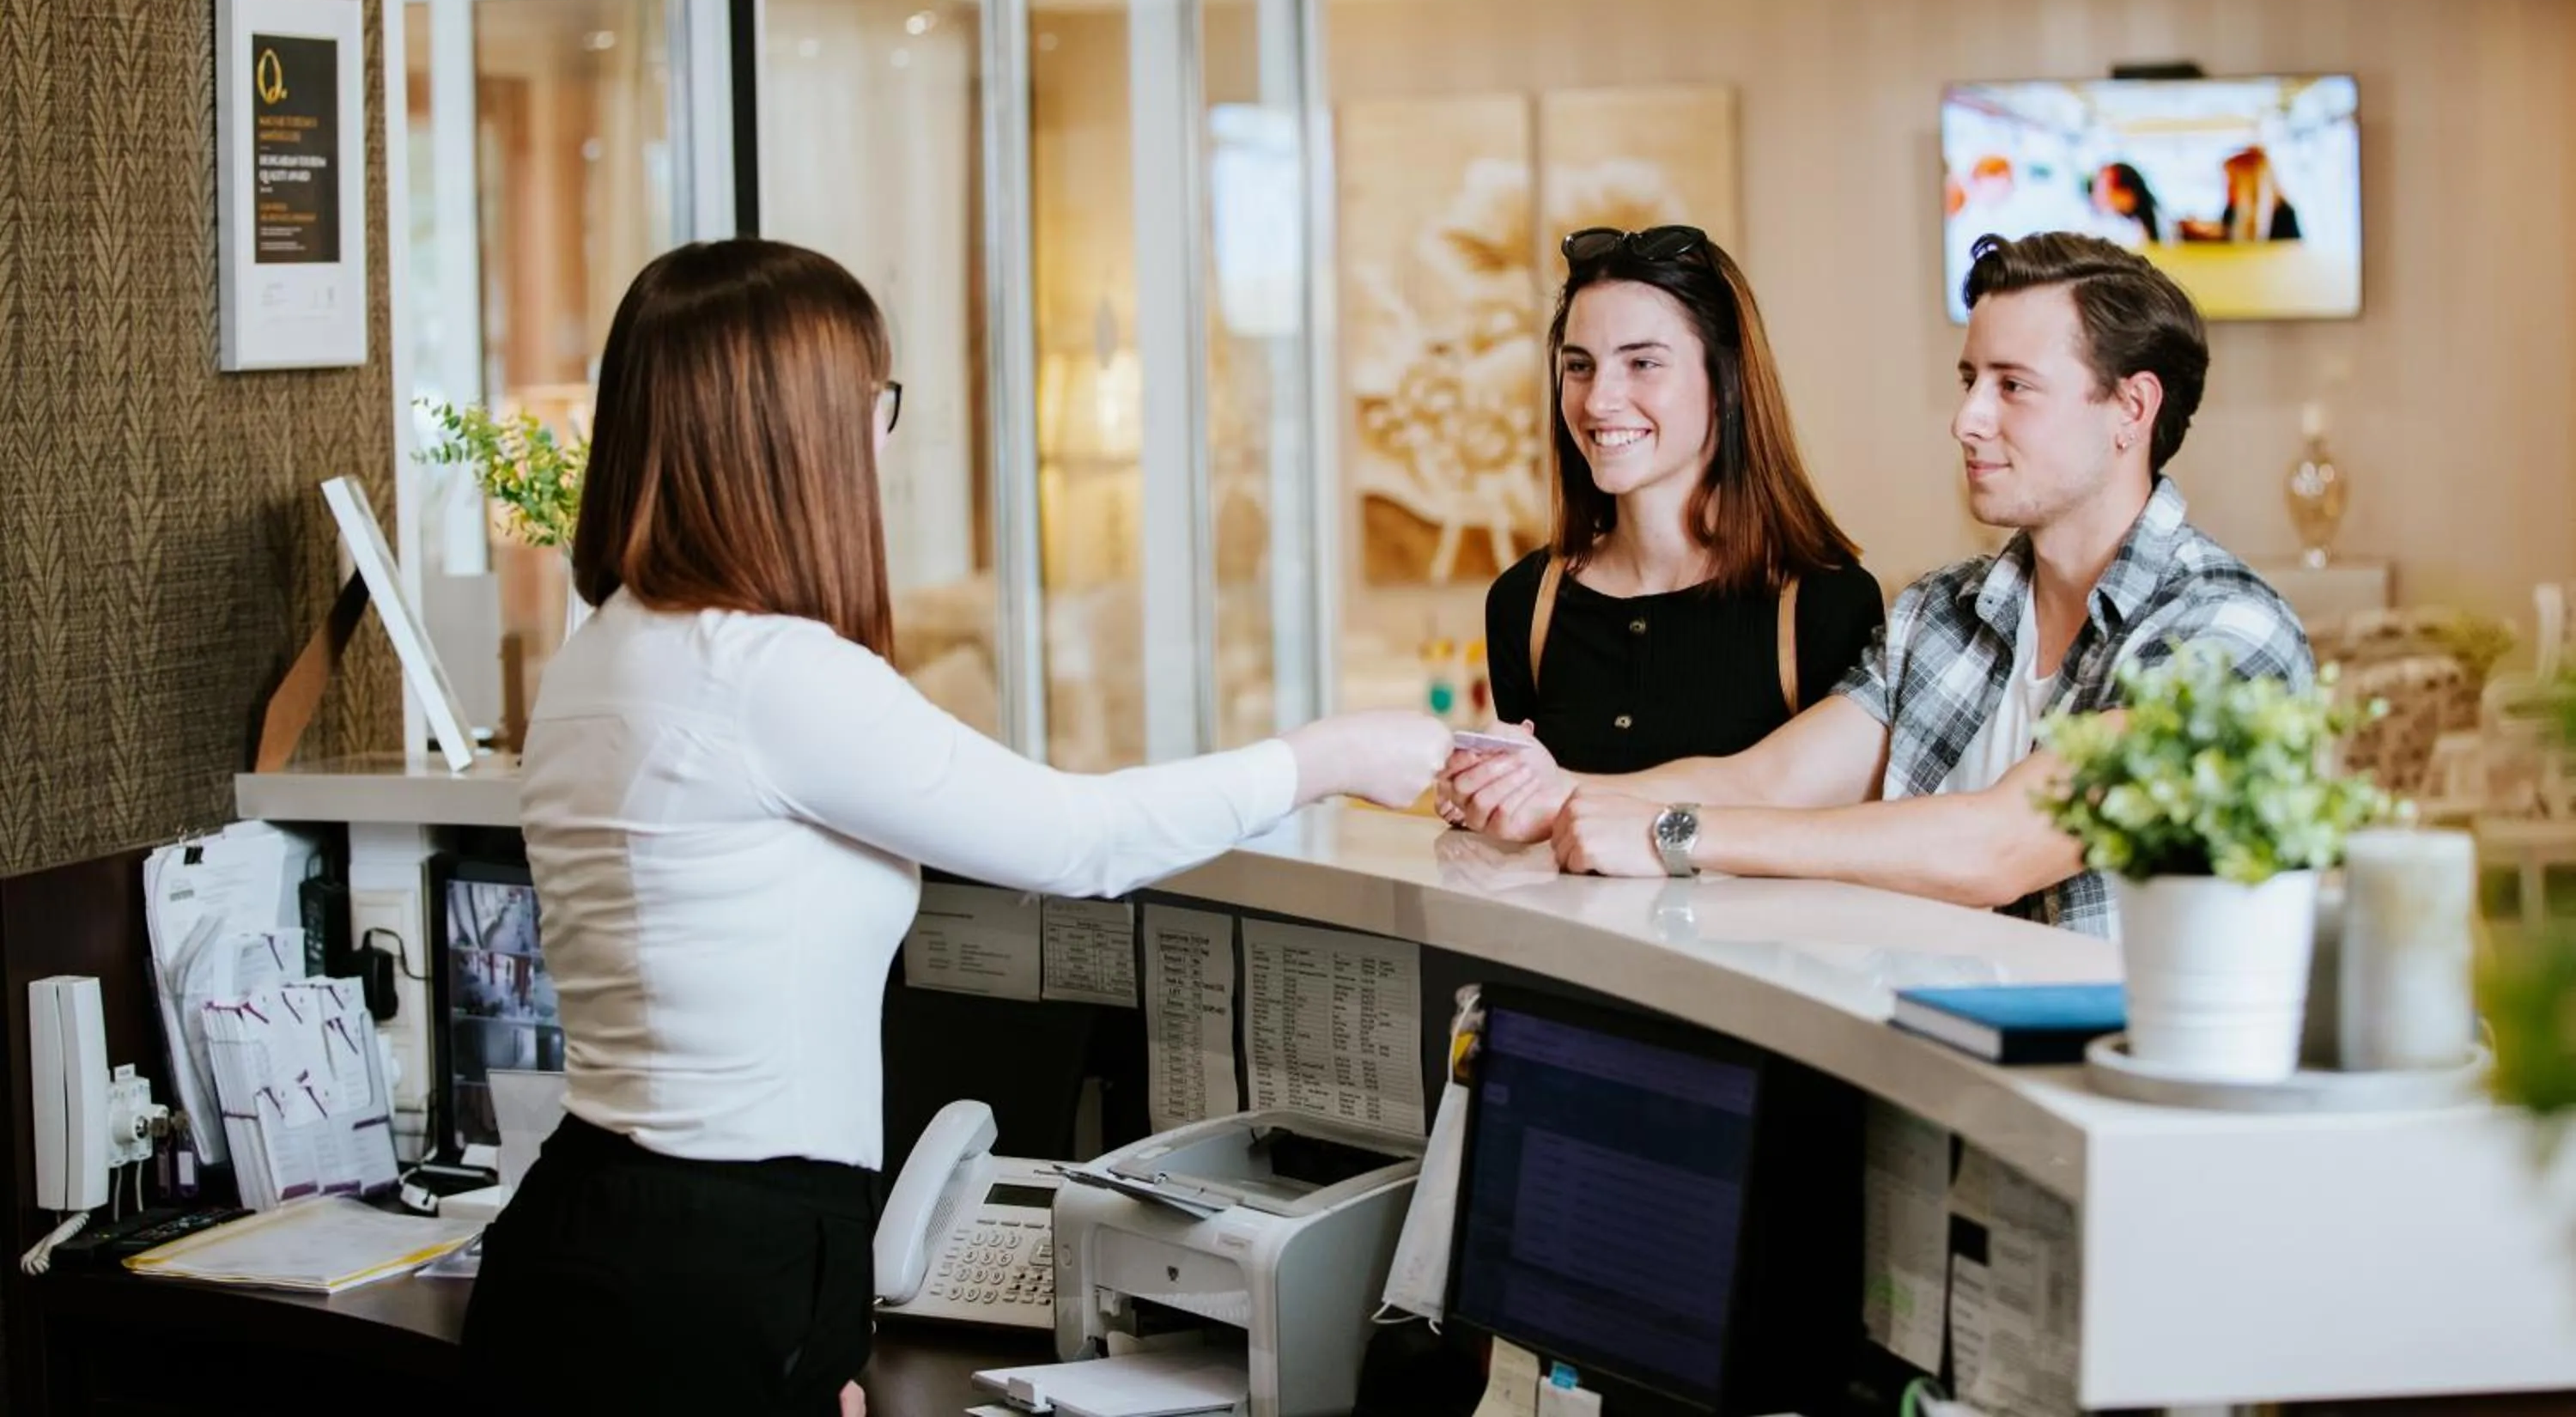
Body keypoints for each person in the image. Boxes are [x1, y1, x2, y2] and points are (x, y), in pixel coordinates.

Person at [459, 239, 1449, 1417]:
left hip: (583, 1229)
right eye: (874, 403)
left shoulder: (606, 651)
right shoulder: (771, 675)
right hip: (723, 1265)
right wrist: (1327, 757)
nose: (884, 439)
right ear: (797, 434)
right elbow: (1079, 841)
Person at [1442, 231, 2311, 936]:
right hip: (1937, 1095)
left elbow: (2001, 845)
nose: (1967, 418)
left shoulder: (2225, 634)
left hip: (2123, 1124)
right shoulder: (1942, 613)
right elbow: (1768, 782)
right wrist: (1545, 793)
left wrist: (1672, 833)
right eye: (1972, 380)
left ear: (2131, 409)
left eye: (2014, 387)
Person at [1447, 225, 1880, 797]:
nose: (1599, 400)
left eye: (1643, 364)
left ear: (1726, 383)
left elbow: (1842, 840)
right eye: (1579, 366)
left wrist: (1551, 794)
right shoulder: (1523, 604)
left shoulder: (1825, 604)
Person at [2089, 161, 2168, 246]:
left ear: (2128, 192)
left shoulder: (2159, 222)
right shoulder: (2102, 225)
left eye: (2106, 188)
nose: (2098, 194)